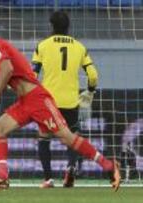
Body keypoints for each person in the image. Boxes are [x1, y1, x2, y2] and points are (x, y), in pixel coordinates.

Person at [0, 35, 120, 191]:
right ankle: (2, 177)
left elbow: (9, 69)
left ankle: (108, 166)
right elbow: (8, 78)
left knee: (67, 137)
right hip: (24, 103)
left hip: (38, 100)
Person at [32, 10, 98, 188]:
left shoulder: (42, 46)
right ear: (68, 26)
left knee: (44, 137)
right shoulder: (79, 47)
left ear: (51, 26)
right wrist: (90, 91)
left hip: (48, 102)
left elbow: (32, 75)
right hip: (70, 101)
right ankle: (71, 167)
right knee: (72, 137)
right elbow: (93, 74)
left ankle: (48, 179)